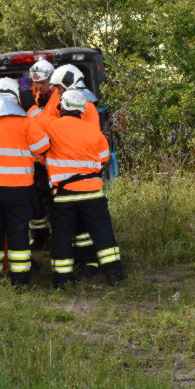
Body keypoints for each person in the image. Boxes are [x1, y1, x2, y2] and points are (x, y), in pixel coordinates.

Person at [28, 90, 124, 288]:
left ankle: (62, 279)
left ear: (62, 107)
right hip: (93, 193)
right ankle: (114, 273)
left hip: (64, 195)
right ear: (82, 109)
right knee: (103, 232)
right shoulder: (93, 131)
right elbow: (104, 157)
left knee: (62, 235)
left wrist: (27, 97)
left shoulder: (52, 126)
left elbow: (35, 115)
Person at [0, 78, 50, 285]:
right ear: (16, 96)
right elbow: (42, 146)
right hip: (19, 189)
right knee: (18, 231)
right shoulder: (25, 122)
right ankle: (20, 278)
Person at [25, 59, 57, 251]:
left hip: (53, 160)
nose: (39, 86)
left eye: (43, 83)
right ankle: (39, 236)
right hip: (36, 160)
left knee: (53, 204)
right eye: (36, 83)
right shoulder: (36, 97)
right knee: (36, 203)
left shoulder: (59, 100)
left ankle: (57, 235)